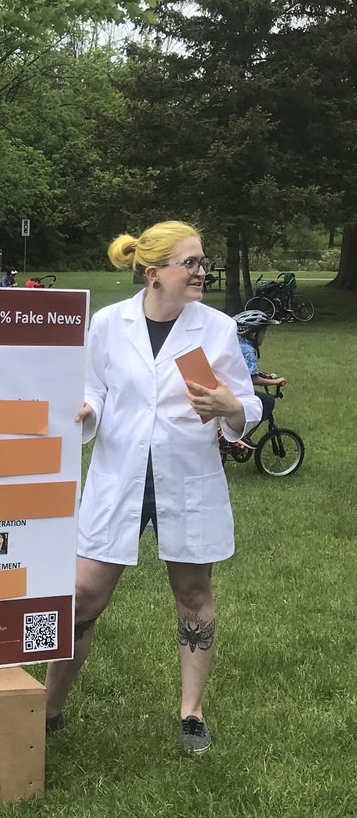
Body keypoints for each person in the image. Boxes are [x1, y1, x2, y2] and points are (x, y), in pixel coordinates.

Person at [45, 221, 262, 753]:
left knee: (193, 592)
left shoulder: (214, 329)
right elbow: (92, 388)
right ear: (153, 272)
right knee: (81, 595)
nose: (202, 271)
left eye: (202, 261)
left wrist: (232, 409)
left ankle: (191, 712)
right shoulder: (108, 324)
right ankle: (49, 705)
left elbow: (245, 402)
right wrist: (87, 409)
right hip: (120, 476)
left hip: (185, 476)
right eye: (190, 263)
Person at [231, 309, 286, 446]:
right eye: (264, 332)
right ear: (254, 334)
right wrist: (274, 381)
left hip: (229, 387)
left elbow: (245, 370)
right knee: (267, 402)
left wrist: (262, 374)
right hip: (237, 392)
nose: (264, 336)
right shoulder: (248, 350)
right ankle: (242, 435)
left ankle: (233, 434)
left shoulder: (238, 344)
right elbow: (252, 379)